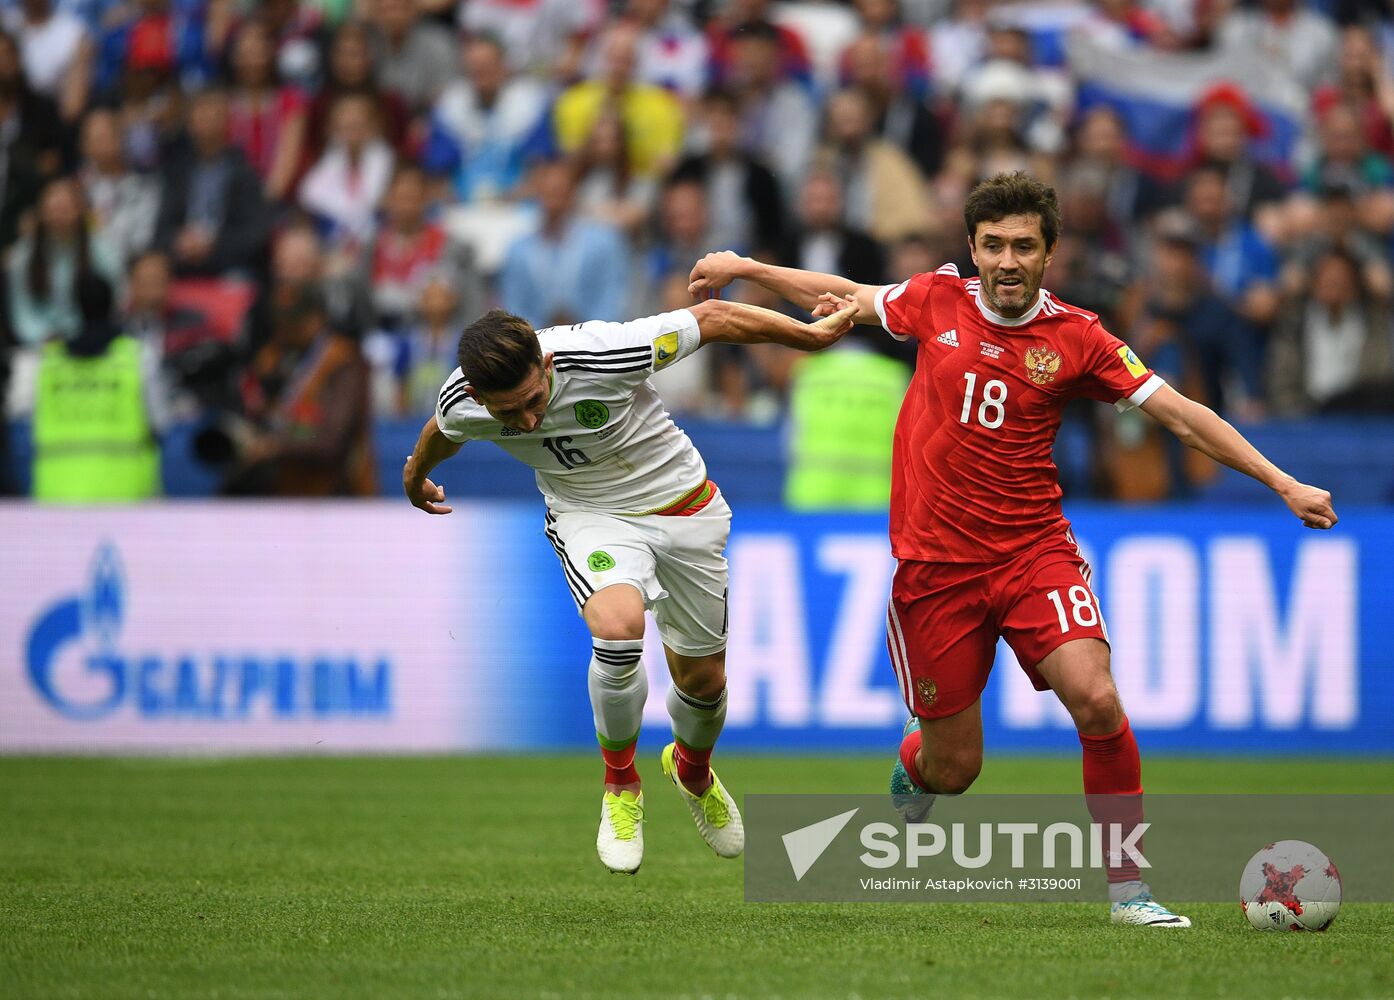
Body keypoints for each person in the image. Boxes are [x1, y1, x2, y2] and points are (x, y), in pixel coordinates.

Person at [688, 171, 1338, 926]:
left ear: (1048, 254)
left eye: (1022, 246)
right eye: (992, 244)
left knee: (1095, 698)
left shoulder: (1079, 338)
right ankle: (916, 763)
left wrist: (1282, 482)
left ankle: (1129, 891)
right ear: (972, 248)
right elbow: (844, 292)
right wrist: (748, 268)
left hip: (1033, 554)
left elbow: (1183, 415)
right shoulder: (935, 300)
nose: (1005, 260)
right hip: (935, 572)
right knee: (954, 770)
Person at [401, 294, 857, 875]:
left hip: (684, 508)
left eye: (534, 401)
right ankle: (621, 786)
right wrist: (417, 474)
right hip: (591, 515)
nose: (529, 422)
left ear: (546, 364)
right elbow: (444, 429)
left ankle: (691, 769)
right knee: (618, 632)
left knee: (704, 680)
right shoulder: (465, 401)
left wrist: (808, 337)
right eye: (508, 414)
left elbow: (713, 318)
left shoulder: (607, 351)